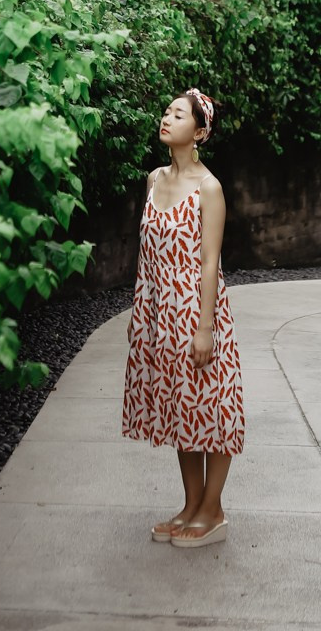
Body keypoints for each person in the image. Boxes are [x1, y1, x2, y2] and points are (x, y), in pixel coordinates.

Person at [121, 88, 245, 548]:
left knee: (212, 409)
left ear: (200, 131)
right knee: (180, 410)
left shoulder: (208, 188)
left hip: (197, 312)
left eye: (178, 114)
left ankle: (213, 510)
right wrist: (145, 319)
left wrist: (205, 328)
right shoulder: (154, 179)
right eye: (166, 111)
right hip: (159, 312)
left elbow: (210, 261)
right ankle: (191, 505)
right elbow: (149, 251)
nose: (166, 118)